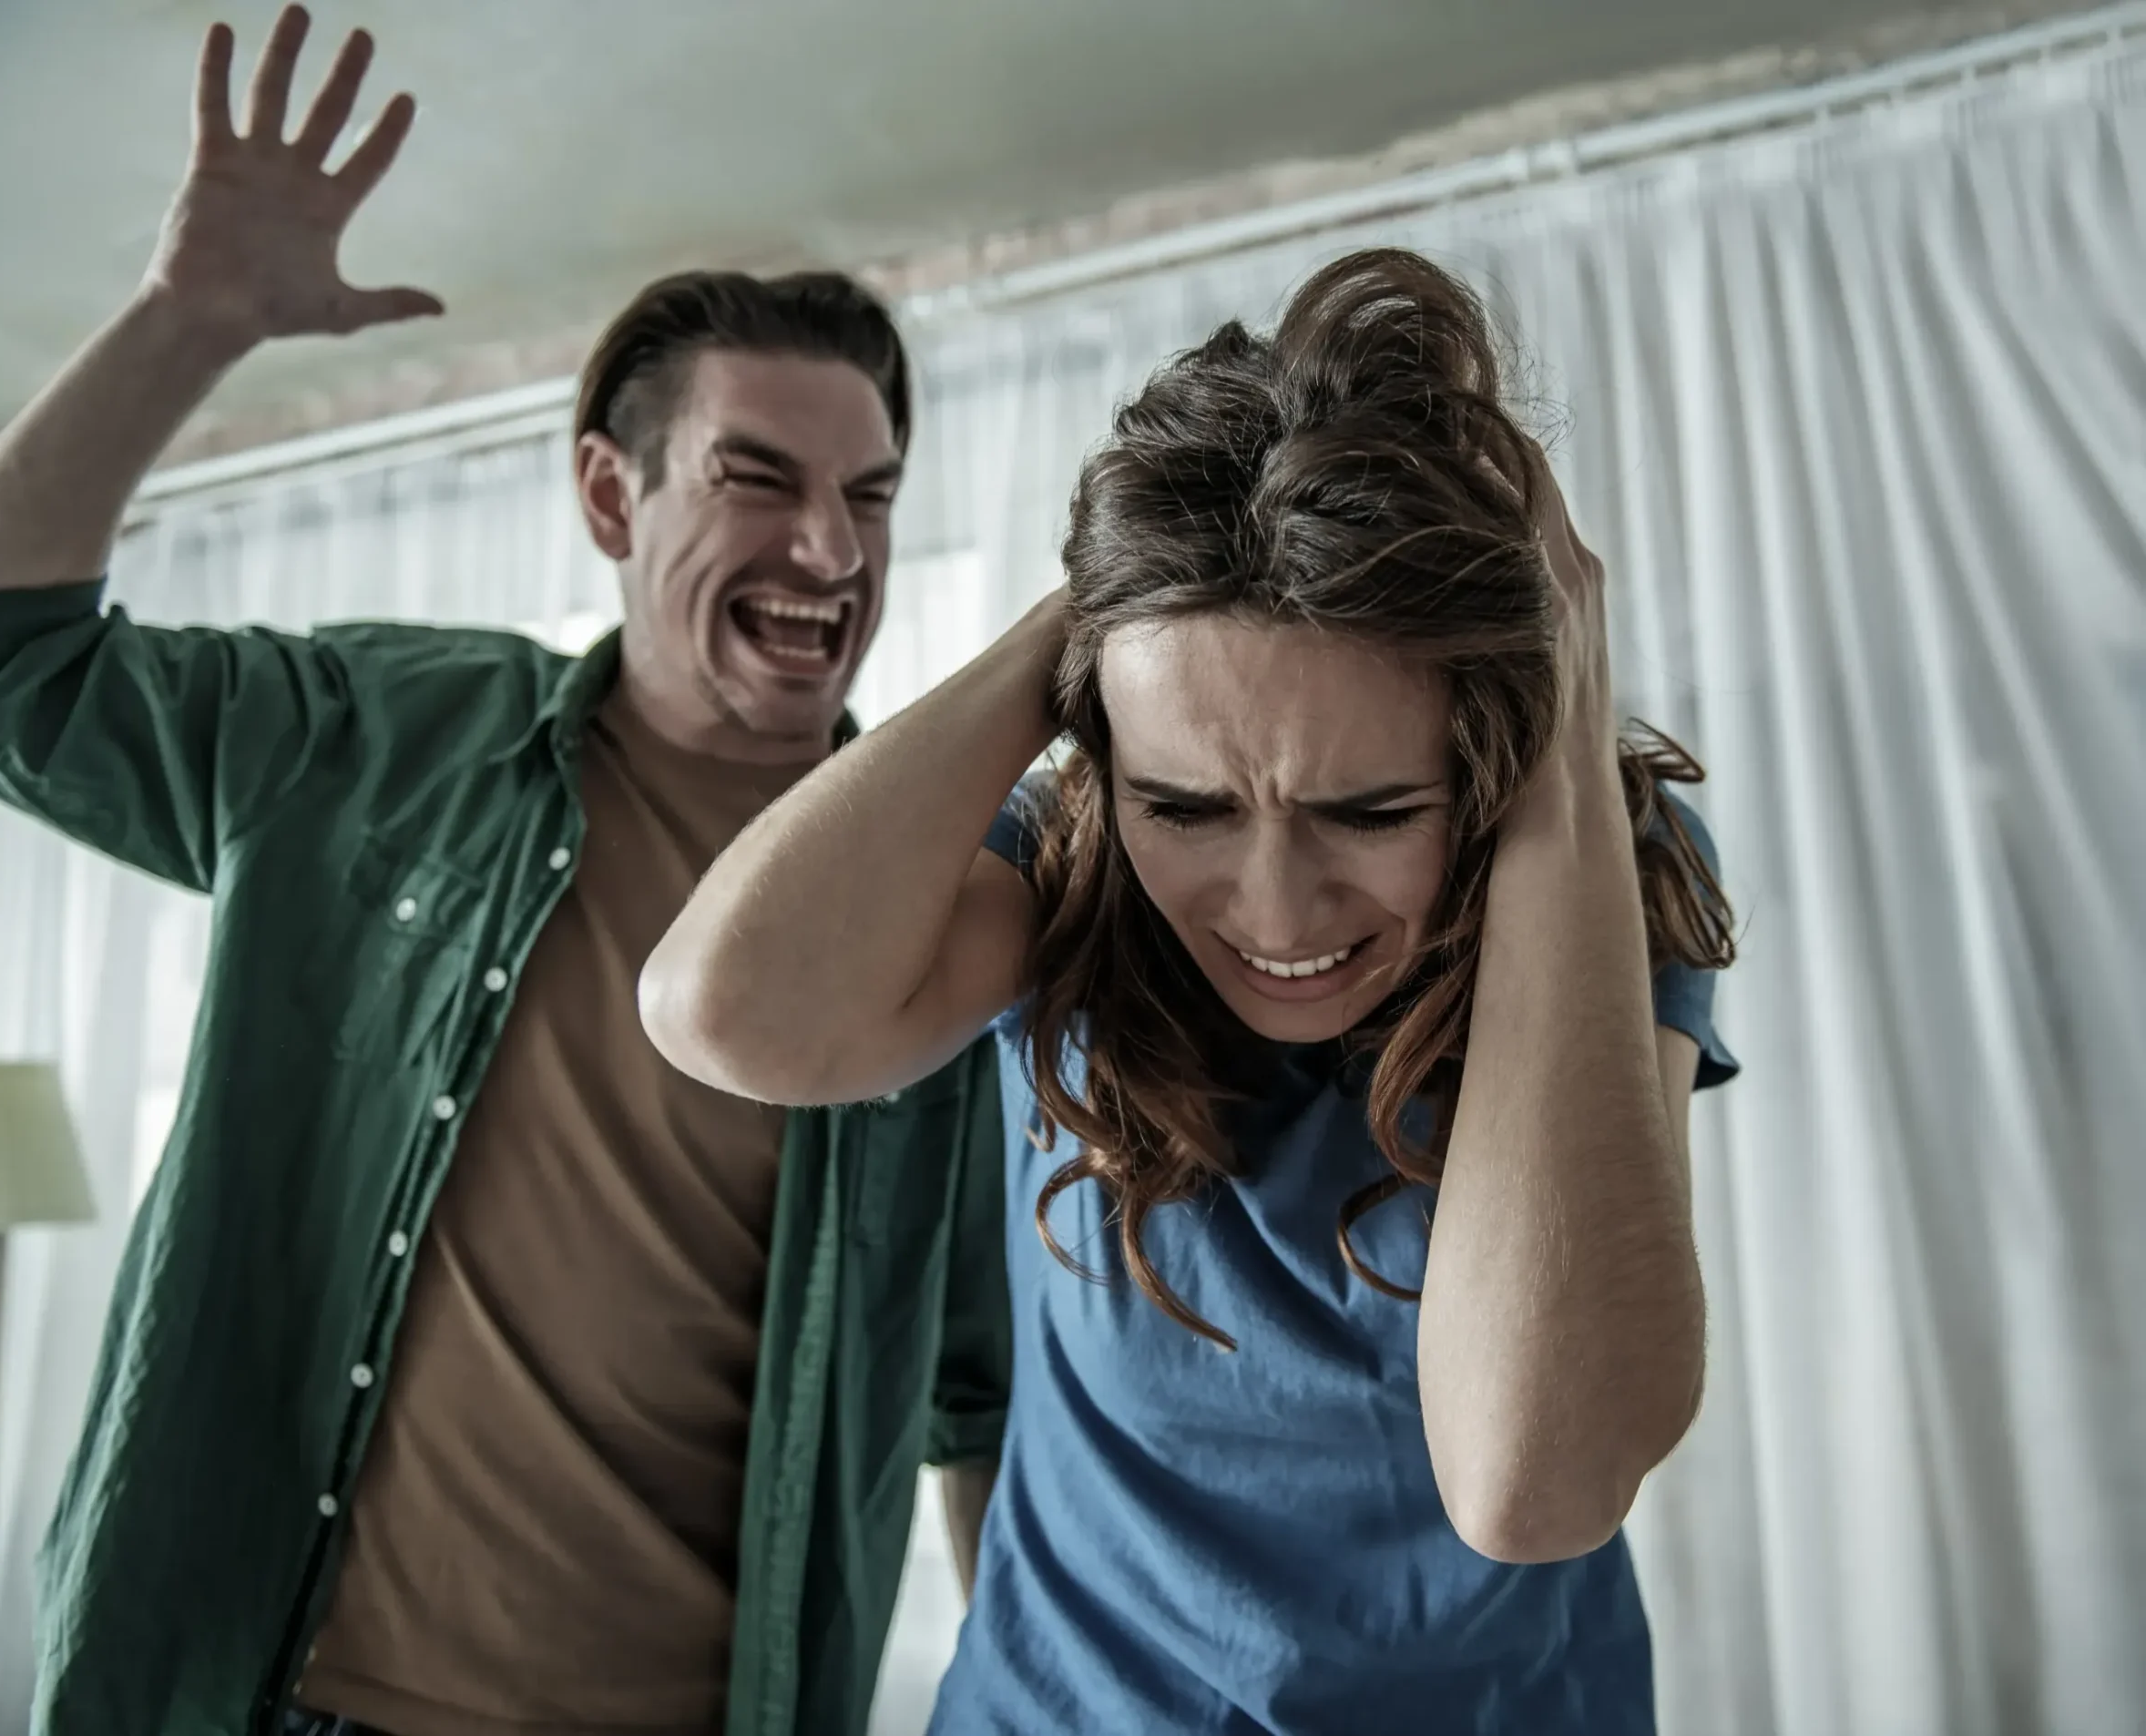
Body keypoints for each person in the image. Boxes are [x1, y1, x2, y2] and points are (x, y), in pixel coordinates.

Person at [0, 10, 1009, 1736]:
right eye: (760, 479)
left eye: (873, 496)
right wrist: (190, 323)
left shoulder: (943, 892)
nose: (830, 550)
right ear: (612, 498)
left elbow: (970, 1391)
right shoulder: (376, 740)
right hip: (290, 1703)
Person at [642, 246, 1742, 1734]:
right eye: (1191, 808)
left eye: (1367, 813)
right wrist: (1111, 609)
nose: (1278, 915)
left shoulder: (1601, 855)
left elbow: (1531, 1484)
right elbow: (720, 1008)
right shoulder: (1068, 863)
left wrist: (1560, 717)